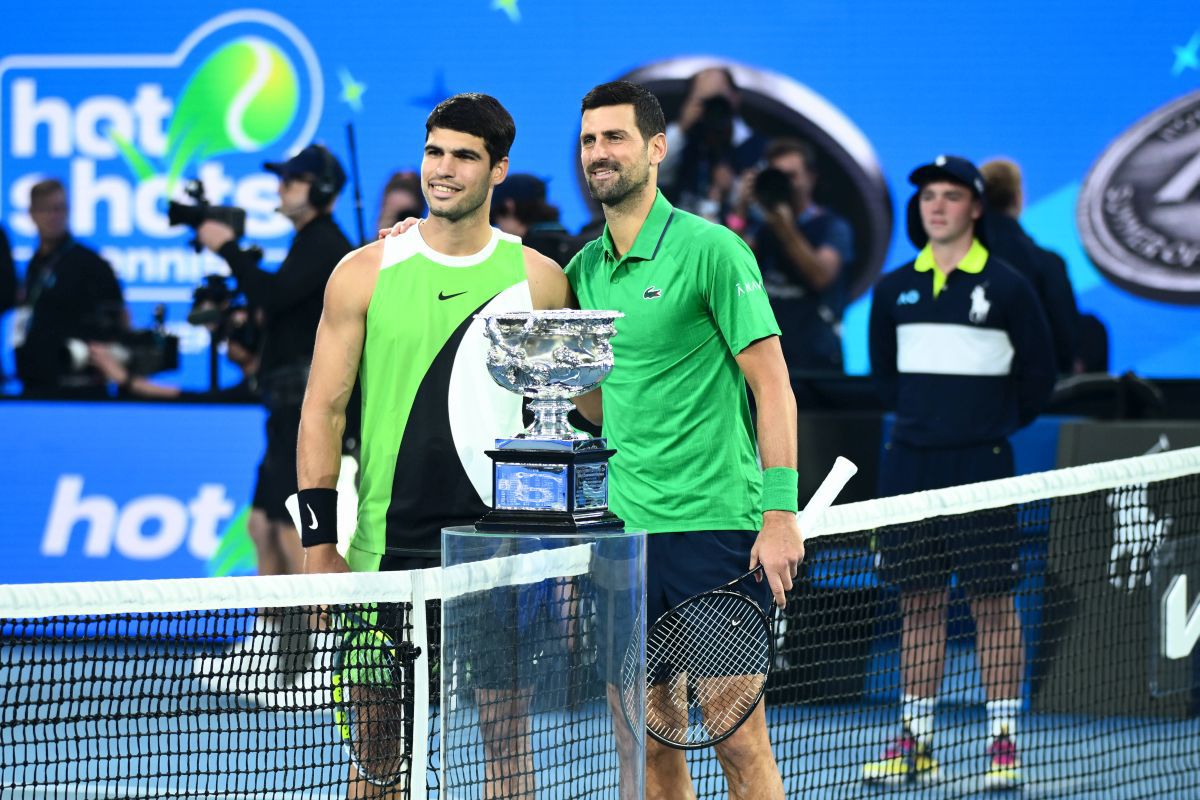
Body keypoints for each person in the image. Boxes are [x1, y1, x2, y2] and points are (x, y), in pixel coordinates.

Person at [297, 93, 573, 799]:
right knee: (376, 757)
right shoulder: (363, 273)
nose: (443, 170)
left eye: (464, 156)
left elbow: (576, 416)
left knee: (506, 753)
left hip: (496, 556)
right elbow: (322, 412)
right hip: (380, 557)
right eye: (434, 152)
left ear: (498, 169)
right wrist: (316, 543)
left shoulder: (539, 280)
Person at [566, 80, 801, 800]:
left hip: (712, 532)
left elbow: (773, 385)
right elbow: (602, 405)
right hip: (623, 541)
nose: (599, 153)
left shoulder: (714, 252)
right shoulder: (581, 272)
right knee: (644, 744)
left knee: (738, 742)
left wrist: (779, 513)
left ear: (656, 148)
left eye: (614, 138)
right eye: (588, 140)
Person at [865, 155, 1056, 789]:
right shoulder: (894, 289)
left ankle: (1004, 744)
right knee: (918, 603)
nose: (937, 206)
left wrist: (980, 426)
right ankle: (916, 744)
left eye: (951, 196)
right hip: (909, 465)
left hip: (983, 463)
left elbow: (1038, 381)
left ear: (976, 207)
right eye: (928, 197)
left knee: (993, 603)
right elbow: (887, 379)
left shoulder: (1009, 287)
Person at [194, 143, 353, 679]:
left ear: (322, 190)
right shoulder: (305, 243)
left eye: (294, 179)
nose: (282, 187)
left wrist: (230, 248)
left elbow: (277, 295)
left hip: (306, 410)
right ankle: (275, 649)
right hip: (282, 407)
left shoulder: (326, 244)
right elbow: (280, 313)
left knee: (293, 525)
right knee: (263, 525)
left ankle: (322, 648)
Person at [733, 137, 856, 376]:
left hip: (816, 363)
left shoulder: (833, 227)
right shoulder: (762, 229)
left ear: (811, 177)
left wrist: (785, 226)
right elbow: (731, 268)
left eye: (792, 176)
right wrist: (741, 208)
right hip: (768, 360)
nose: (785, 184)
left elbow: (820, 277)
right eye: (777, 176)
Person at [15, 178, 127, 397]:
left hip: (80, 385)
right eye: (46, 209)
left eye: (59, 208)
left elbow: (120, 320)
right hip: (35, 381)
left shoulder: (91, 264)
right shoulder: (35, 264)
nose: (53, 217)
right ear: (32, 213)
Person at [979, 157, 1080, 374]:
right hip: (1032, 393)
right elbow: (1064, 342)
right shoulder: (1048, 264)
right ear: (1018, 199)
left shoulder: (950, 261)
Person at [659, 67, 766, 220]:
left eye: (719, 101)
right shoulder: (683, 139)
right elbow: (652, 174)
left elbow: (765, 210)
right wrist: (682, 126)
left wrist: (734, 188)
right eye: (705, 102)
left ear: (735, 98)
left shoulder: (757, 147)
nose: (713, 109)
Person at [491, 172, 583, 265]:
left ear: (509, 207)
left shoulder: (518, 256)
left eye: (496, 215)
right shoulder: (577, 247)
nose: (499, 227)